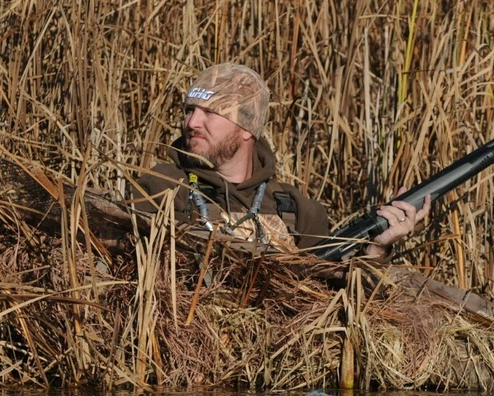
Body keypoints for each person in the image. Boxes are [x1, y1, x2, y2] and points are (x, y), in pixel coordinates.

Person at [131, 63, 428, 259]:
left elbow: (330, 291)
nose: (192, 122)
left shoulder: (295, 208)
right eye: (189, 110)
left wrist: (378, 246)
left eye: (210, 112)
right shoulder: (163, 186)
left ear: (247, 128)